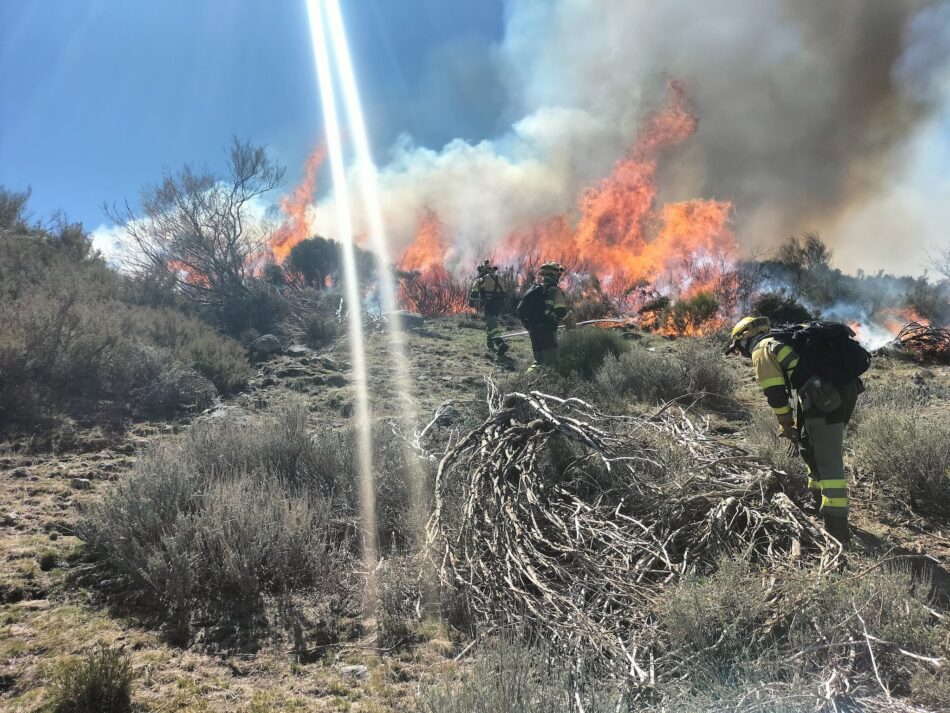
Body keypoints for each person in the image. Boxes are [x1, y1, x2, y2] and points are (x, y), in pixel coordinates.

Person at [725, 316, 863, 543]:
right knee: (809, 446)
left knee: (828, 461)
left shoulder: (762, 349)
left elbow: (776, 395)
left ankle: (836, 530)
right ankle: (817, 502)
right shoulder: (782, 339)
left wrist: (785, 423)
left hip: (825, 397)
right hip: (840, 391)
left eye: (738, 349)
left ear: (744, 339)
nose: (740, 354)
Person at [523, 262, 571, 373]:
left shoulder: (534, 289)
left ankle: (526, 380)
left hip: (533, 329)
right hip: (547, 331)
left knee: (539, 360)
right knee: (552, 362)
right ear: (554, 275)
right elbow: (560, 311)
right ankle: (547, 387)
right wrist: (569, 323)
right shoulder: (555, 291)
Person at [469, 260, 509, 355]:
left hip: (490, 305)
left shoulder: (481, 280)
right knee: (490, 323)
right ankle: (490, 344)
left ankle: (500, 343)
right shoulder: (497, 278)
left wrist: (471, 303)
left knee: (493, 326)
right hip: (499, 305)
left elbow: (474, 293)